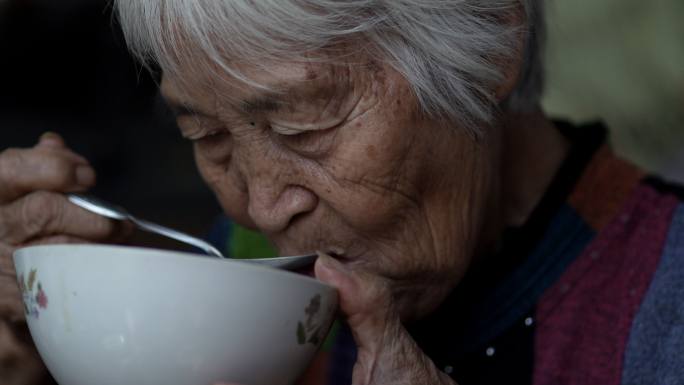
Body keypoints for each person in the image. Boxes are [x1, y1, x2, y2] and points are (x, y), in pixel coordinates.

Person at [1, 0, 683, 384]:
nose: (261, 207)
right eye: (208, 135)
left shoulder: (664, 307)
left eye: (303, 124)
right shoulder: (231, 273)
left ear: (493, 44)